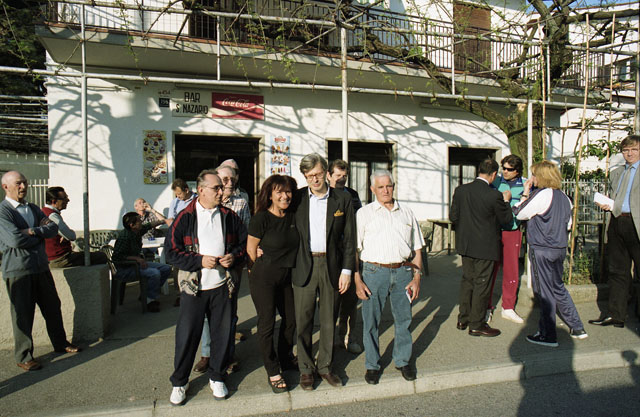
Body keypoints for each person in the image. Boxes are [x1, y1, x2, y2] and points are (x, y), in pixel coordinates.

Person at [166, 169, 247, 405]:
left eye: (222, 187)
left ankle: (217, 376)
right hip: (194, 288)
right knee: (187, 336)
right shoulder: (185, 217)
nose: (221, 191)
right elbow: (171, 252)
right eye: (216, 188)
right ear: (201, 190)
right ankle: (180, 382)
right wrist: (199, 261)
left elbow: (243, 245)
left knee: (222, 335)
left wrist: (233, 257)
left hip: (222, 286)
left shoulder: (229, 216)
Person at [0, 171, 80, 372]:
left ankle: (60, 343)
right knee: (23, 314)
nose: (23, 187)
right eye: (18, 183)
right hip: (18, 271)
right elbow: (14, 240)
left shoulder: (33, 208)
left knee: (52, 306)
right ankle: (24, 356)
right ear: (5, 187)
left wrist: (32, 231)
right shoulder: (4, 212)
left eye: (24, 183)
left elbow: (52, 229)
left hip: (41, 267)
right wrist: (39, 235)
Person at [291, 153, 356, 390]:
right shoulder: (297, 199)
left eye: (318, 174)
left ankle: (326, 366)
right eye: (309, 176)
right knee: (303, 320)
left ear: (326, 173)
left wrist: (347, 270)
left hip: (332, 266)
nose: (315, 180)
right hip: (304, 265)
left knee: (329, 319)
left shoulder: (342, 199)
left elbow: (349, 237)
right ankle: (306, 369)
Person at [354, 170, 424, 385]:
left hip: (403, 272)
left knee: (404, 320)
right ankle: (372, 365)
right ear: (372, 189)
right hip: (374, 273)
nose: (385, 190)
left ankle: (403, 360)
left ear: (393, 187)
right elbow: (354, 250)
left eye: (389, 186)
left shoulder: (407, 212)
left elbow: (417, 249)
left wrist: (417, 277)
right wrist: (357, 279)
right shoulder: (364, 214)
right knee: (371, 322)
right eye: (380, 187)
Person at [514, 161, 587, 346]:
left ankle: (548, 334)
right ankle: (577, 327)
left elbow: (519, 213)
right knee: (558, 287)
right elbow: (568, 225)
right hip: (559, 248)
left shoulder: (541, 194)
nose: (532, 178)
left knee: (544, 292)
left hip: (542, 248)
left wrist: (525, 192)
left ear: (541, 176)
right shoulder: (565, 198)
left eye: (534, 175)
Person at [194, 164, 251, 374]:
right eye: (224, 180)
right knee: (206, 315)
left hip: (231, 266)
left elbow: (246, 236)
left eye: (232, 180)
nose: (229, 184)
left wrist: (236, 257)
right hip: (205, 267)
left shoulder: (241, 202)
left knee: (229, 313)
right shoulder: (201, 204)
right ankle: (207, 354)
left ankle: (228, 354)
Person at [246, 174, 299, 393]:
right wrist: (256, 267)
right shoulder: (261, 219)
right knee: (267, 323)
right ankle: (273, 369)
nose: (285, 196)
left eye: (288, 192)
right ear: (269, 195)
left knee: (291, 320)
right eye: (279, 192)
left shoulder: (293, 215)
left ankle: (286, 358)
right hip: (264, 278)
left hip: (286, 278)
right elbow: (251, 249)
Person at [450, 159, 513, 337]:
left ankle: (463, 318)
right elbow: (506, 219)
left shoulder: (461, 190)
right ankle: (477, 324)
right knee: (482, 284)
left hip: (466, 244)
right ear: (493, 174)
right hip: (486, 246)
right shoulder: (494, 195)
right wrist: (506, 201)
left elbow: (453, 217)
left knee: (467, 281)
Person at [590, 135, 640, 328]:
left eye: (634, 150)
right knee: (617, 270)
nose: (629, 154)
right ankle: (615, 315)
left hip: (636, 223)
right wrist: (607, 204)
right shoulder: (617, 173)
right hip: (617, 221)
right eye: (626, 150)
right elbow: (616, 197)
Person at [327, 159, 363, 354]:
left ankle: (349, 337)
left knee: (351, 300)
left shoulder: (353, 195)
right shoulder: (324, 195)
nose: (341, 179)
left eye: (344, 176)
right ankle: (331, 338)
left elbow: (359, 221)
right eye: (337, 175)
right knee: (331, 301)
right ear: (329, 175)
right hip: (330, 255)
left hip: (351, 252)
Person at [487, 155, 526, 324]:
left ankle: (508, 307)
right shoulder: (495, 181)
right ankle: (486, 307)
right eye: (503, 168)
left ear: (517, 171)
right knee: (490, 269)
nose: (505, 171)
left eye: (509, 169)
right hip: (494, 230)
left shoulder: (525, 184)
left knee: (511, 269)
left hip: (512, 230)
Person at [111, 212, 171, 312]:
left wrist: (164, 221)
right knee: (154, 273)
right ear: (132, 225)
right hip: (125, 269)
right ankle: (150, 301)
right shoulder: (124, 237)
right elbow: (117, 258)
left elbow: (149, 225)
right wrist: (136, 259)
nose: (141, 222)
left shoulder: (137, 231)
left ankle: (146, 294)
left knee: (166, 268)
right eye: (139, 221)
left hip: (136, 265)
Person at [42, 186, 107, 268]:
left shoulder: (43, 212)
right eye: (64, 198)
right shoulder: (52, 216)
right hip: (60, 259)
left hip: (49, 258)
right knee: (101, 256)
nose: (68, 200)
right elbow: (71, 236)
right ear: (54, 201)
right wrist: (68, 234)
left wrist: (64, 235)